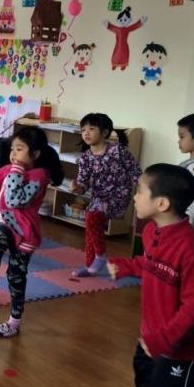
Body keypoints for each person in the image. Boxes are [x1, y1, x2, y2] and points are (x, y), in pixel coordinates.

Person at [107, 164, 194, 387]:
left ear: (162, 204)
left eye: (140, 191)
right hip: (150, 337)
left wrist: (163, 340)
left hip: (179, 348)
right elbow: (150, 264)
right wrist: (126, 266)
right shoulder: (153, 231)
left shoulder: (191, 249)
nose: (134, 196)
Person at [0, 126, 64, 337]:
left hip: (25, 232)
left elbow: (13, 199)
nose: (13, 154)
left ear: (35, 154)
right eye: (12, 149)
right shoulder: (11, 172)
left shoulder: (38, 177)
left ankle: (14, 322)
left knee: (16, 276)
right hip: (7, 224)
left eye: (20, 149)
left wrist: (16, 170)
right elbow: (0, 199)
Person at [72, 113, 141, 277]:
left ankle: (100, 256)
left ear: (104, 132)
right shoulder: (86, 158)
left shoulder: (118, 150)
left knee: (91, 218)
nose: (86, 133)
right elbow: (83, 185)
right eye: (83, 130)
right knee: (90, 222)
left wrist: (145, 192)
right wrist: (76, 188)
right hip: (98, 197)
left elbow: (136, 172)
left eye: (91, 129)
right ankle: (91, 266)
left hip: (118, 195)